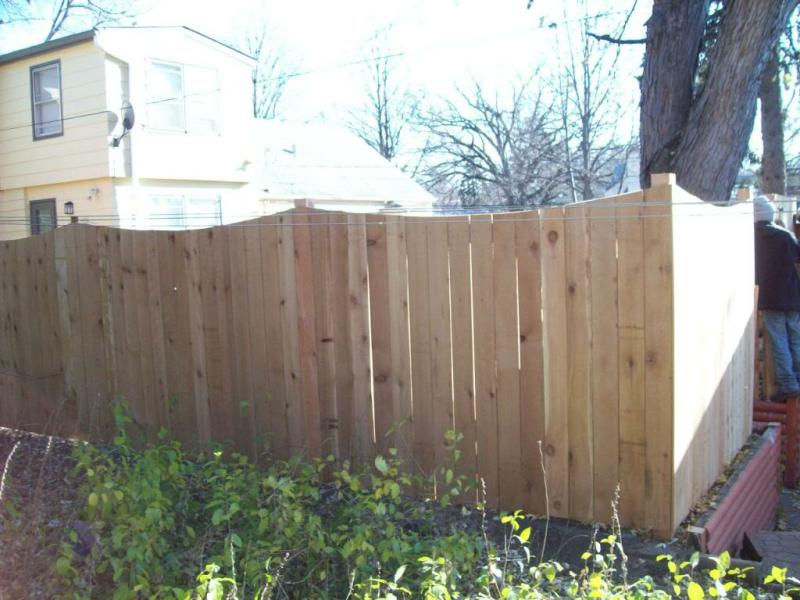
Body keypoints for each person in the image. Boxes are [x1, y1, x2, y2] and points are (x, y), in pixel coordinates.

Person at [754, 195, 800, 401]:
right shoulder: (786, 236)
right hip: (792, 297)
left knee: (780, 342)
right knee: (796, 339)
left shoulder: (749, 238)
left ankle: (789, 385)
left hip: (770, 298)